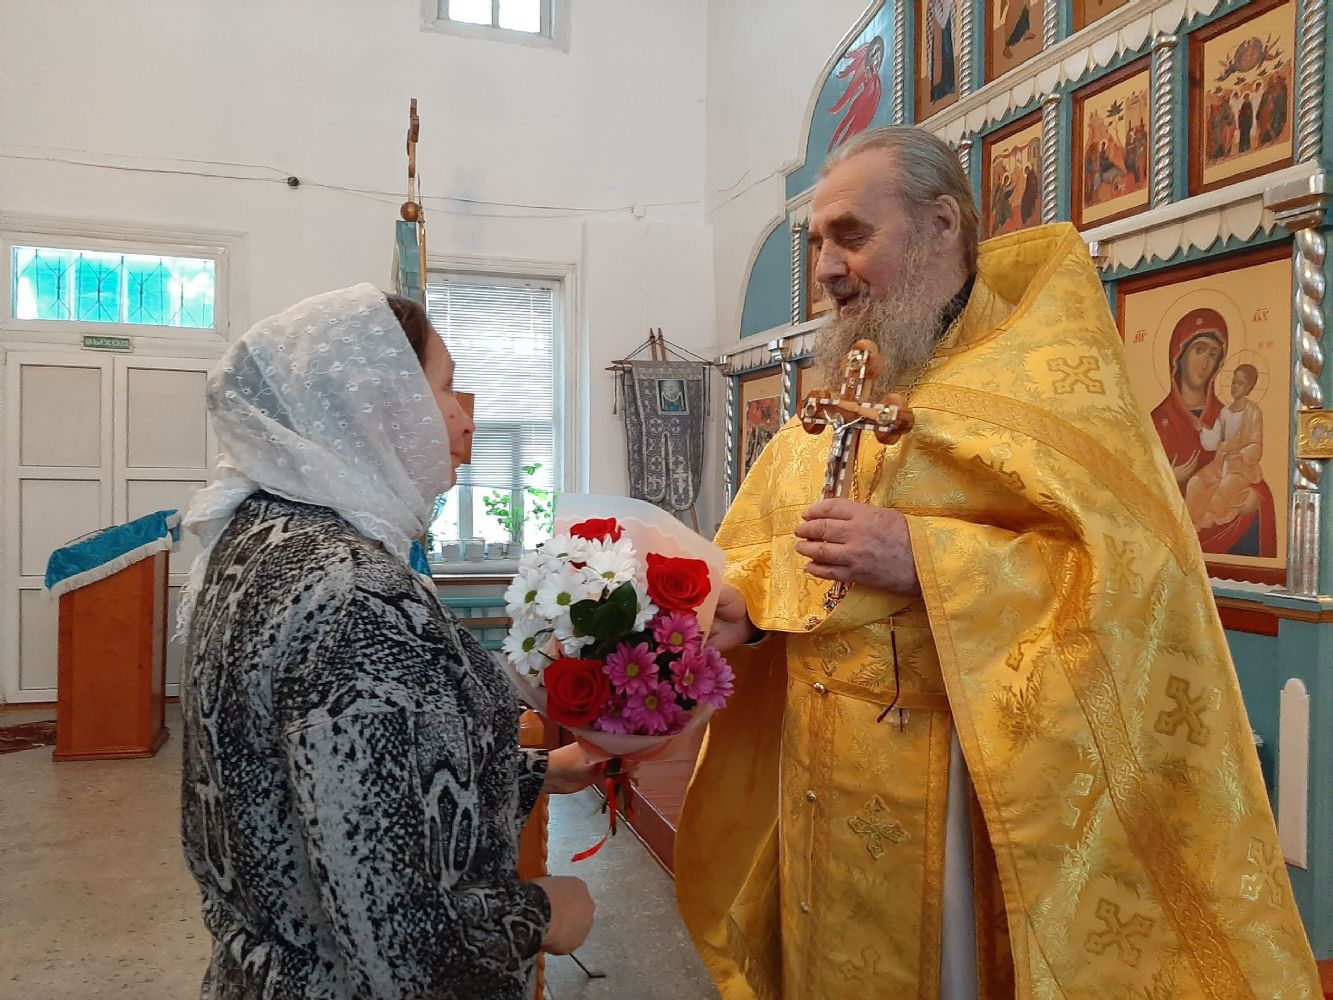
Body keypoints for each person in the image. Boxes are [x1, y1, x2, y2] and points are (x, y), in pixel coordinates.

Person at [675, 127, 1319, 998]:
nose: (825, 269)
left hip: (964, 789)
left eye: (851, 236)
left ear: (942, 224)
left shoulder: (1042, 382)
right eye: (817, 242)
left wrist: (926, 556)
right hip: (817, 779)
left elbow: (1131, 577)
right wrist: (747, 607)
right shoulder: (849, 388)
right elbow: (778, 540)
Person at [178, 285, 601, 999]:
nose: (465, 418)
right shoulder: (354, 595)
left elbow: (332, 790)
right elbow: (400, 936)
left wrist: (531, 773)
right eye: (445, 389)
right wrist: (543, 914)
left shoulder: (263, 539)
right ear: (377, 404)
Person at [1186, 363, 1277, 556]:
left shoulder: (1253, 412)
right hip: (1220, 464)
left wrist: (1241, 453)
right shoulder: (1225, 412)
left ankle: (1207, 522)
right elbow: (1214, 441)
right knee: (1195, 482)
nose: (1235, 387)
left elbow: (1256, 445)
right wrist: (1202, 429)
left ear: (1249, 387)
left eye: (1240, 383)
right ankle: (1190, 524)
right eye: (1234, 382)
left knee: (1225, 487)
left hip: (1242, 468)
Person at [1150, 307, 1228, 490]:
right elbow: (1135, 486)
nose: (1205, 363)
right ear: (1179, 355)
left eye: (1213, 354)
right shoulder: (1156, 422)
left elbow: (1254, 486)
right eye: (1199, 350)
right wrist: (1168, 479)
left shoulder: (1225, 417)